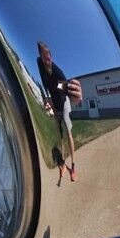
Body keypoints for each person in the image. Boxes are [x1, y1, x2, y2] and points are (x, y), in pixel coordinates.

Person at [37, 42, 80, 183]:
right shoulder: (40, 65)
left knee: (68, 132)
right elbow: (47, 89)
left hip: (64, 102)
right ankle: (62, 164)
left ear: (51, 57)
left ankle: (73, 167)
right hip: (55, 103)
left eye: (48, 57)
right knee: (59, 133)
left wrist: (58, 89)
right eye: (43, 58)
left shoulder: (58, 73)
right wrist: (53, 109)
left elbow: (65, 91)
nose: (46, 60)